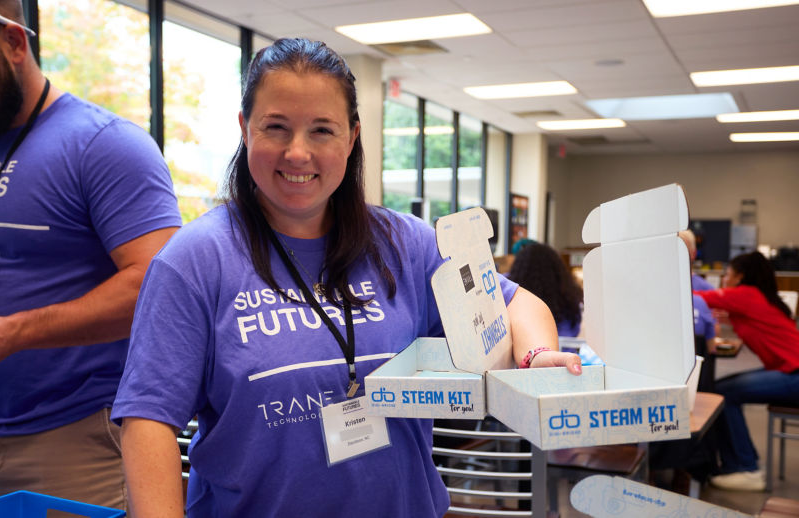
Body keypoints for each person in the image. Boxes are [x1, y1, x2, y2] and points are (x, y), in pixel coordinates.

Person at [112, 37, 582, 518]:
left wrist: (536, 355)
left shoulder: (407, 244)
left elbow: (516, 304)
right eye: (276, 127)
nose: (297, 153)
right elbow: (149, 420)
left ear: (352, 137)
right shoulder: (193, 261)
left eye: (322, 130)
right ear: (245, 130)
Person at [0, 0, 181, 509]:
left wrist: (13, 333)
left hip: (78, 436)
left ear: (13, 43)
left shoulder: (105, 146)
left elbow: (158, 287)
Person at [696, 251, 799, 491]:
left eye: (727, 274)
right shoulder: (759, 297)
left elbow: (697, 297)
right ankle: (740, 463)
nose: (724, 279)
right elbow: (748, 319)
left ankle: (745, 468)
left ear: (739, 277)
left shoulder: (744, 295)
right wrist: (725, 317)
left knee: (722, 395)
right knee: (721, 391)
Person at [507, 242, 583, 337]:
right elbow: (573, 331)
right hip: (564, 349)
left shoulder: (512, 293)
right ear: (557, 268)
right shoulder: (569, 296)